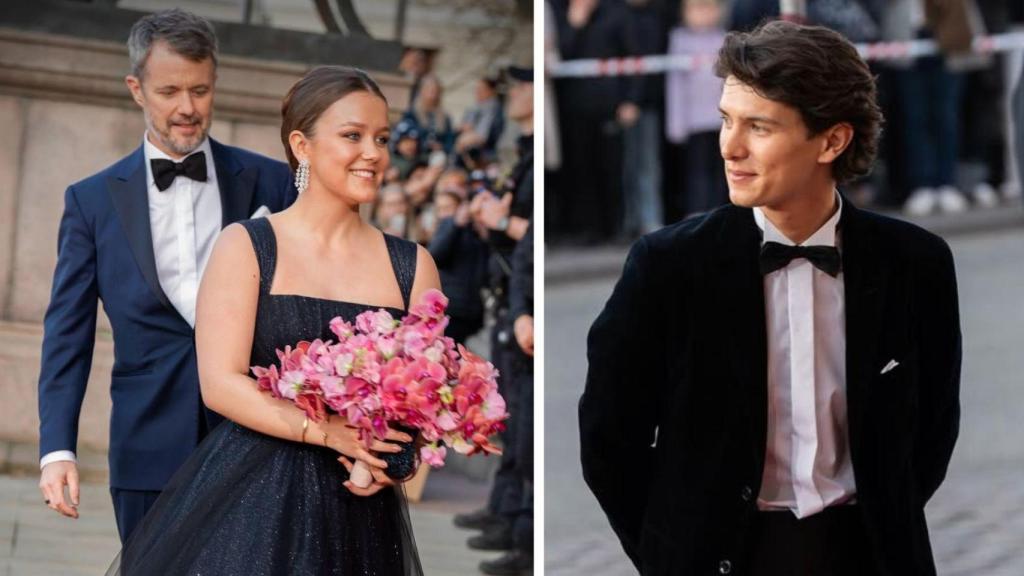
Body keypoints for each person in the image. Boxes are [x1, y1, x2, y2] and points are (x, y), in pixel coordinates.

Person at [580, 21, 961, 576]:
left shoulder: (916, 264)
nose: (730, 147)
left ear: (832, 140)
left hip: (869, 553)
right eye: (726, 120)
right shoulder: (667, 265)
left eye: (759, 126)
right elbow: (610, 438)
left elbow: (931, 432)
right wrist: (673, 555)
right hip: (722, 556)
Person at [107, 65, 439, 575]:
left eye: (381, 138)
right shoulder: (248, 245)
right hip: (253, 495)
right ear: (302, 146)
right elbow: (219, 382)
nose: (373, 153)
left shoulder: (413, 264)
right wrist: (328, 432)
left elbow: (422, 398)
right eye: (353, 136)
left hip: (361, 513)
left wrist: (397, 458)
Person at [36, 8, 295, 544]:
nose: (186, 108)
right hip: (145, 442)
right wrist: (57, 449)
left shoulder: (271, 182)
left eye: (200, 90)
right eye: (169, 91)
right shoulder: (90, 201)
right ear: (136, 89)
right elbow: (68, 332)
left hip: (255, 441)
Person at [452, 66, 534, 561]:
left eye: (520, 89)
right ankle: (503, 513)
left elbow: (528, 232)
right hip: (510, 296)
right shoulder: (519, 157)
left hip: (520, 301)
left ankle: (519, 533)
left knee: (523, 423)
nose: (513, 98)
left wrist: (502, 219)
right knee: (509, 416)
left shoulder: (532, 159)